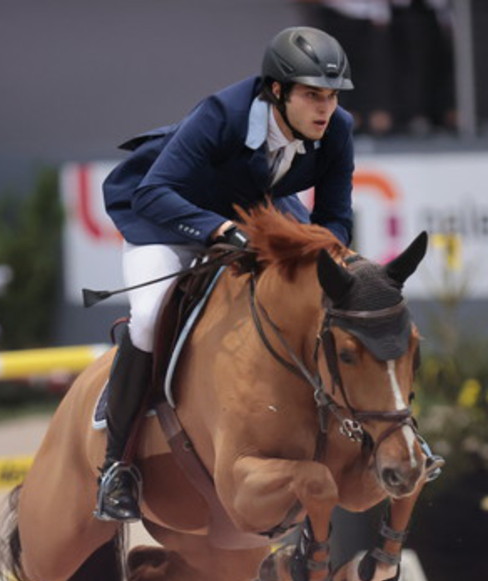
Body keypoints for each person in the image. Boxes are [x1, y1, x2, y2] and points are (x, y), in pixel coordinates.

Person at [93, 26, 357, 523]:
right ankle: (116, 468)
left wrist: (326, 262)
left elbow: (337, 217)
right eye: (312, 96)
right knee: (149, 316)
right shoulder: (223, 114)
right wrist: (221, 230)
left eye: (331, 96)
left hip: (255, 214)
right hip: (168, 217)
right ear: (276, 91)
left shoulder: (338, 128)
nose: (325, 109)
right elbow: (154, 191)